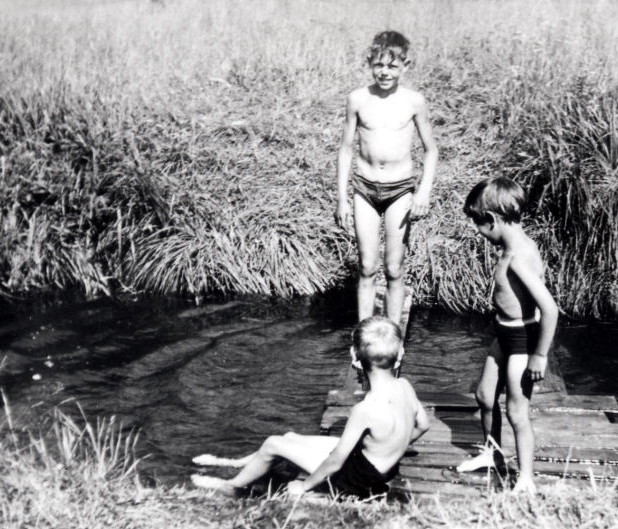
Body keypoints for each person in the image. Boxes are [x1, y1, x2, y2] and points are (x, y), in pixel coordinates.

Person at [191, 316, 430, 498]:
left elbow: (336, 461)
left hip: (358, 479)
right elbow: (423, 425)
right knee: (289, 436)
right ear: (400, 354)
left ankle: (232, 487)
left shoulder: (365, 409)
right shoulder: (404, 385)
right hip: (378, 465)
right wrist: (391, 446)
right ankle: (237, 464)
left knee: (274, 443)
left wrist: (304, 486)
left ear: (353, 356)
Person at [456, 176, 559, 494]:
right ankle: (492, 454)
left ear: (494, 220)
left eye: (478, 224)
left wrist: (539, 355)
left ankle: (526, 477)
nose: (477, 230)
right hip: (504, 333)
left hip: (522, 342)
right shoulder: (512, 245)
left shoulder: (518, 258)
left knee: (517, 411)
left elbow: (550, 309)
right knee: (485, 396)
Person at [335, 30, 439, 326]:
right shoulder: (357, 99)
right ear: (370, 63)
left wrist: (423, 193)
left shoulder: (414, 101)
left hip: (400, 190)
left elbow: (431, 150)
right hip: (364, 189)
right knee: (367, 266)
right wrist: (342, 198)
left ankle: (393, 334)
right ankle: (365, 334)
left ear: (405, 65)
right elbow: (345, 149)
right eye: (379, 65)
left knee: (394, 267)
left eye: (392, 66)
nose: (385, 72)